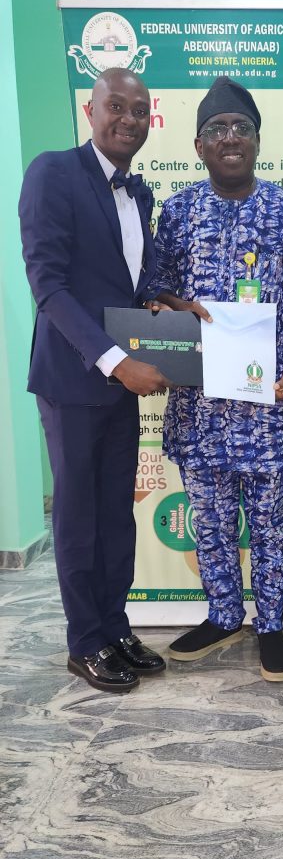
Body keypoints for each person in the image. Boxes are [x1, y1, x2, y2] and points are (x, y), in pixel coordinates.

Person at [145, 76, 283, 682]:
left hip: (270, 405)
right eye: (217, 129)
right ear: (198, 145)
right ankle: (223, 614)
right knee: (212, 520)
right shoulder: (180, 211)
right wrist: (176, 304)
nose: (229, 138)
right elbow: (154, 286)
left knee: (271, 523)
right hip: (200, 406)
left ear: (257, 141)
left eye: (240, 128)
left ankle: (270, 623)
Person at [19, 68, 171, 694]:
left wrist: (168, 301)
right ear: (91, 108)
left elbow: (136, 280)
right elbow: (48, 284)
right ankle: (85, 642)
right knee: (80, 514)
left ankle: (114, 626)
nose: (129, 119)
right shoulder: (53, 172)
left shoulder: (141, 195)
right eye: (117, 106)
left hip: (122, 382)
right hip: (76, 378)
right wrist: (115, 361)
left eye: (140, 111)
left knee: (116, 513)